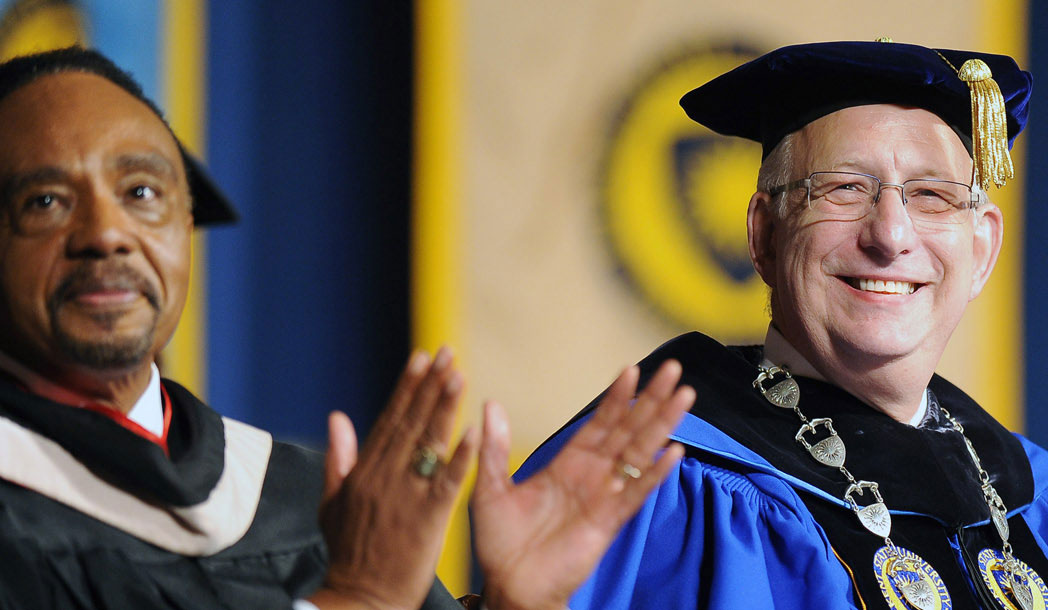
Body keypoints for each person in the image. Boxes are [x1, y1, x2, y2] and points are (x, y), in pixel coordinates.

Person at [0, 47, 692, 610]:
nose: (106, 234)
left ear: (186, 224)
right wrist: (357, 599)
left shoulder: (304, 498)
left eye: (142, 193)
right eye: (47, 201)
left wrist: (518, 605)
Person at [519, 41, 1048, 609]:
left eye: (932, 196)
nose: (891, 234)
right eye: (843, 189)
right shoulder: (657, 479)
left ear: (982, 249)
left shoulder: (1047, 509)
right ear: (763, 235)